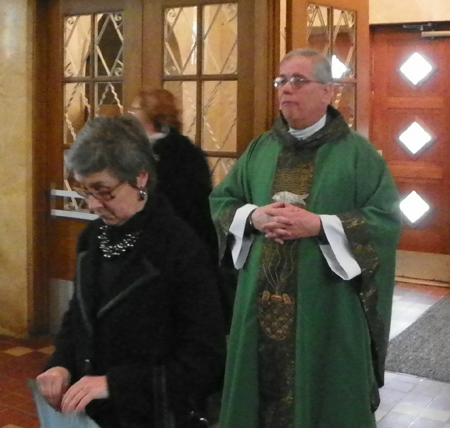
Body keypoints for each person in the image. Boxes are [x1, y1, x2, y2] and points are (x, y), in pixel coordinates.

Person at [210, 49, 402, 428]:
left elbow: (385, 221)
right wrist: (254, 216)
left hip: (326, 307)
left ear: (329, 92)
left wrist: (320, 226)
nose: (286, 90)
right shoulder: (261, 149)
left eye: (298, 80)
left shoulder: (358, 156)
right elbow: (222, 202)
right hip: (259, 304)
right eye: (281, 81)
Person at [36, 116, 226, 428]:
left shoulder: (180, 247)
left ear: (140, 178)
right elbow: (78, 319)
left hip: (151, 417)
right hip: (92, 416)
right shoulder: (91, 238)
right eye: (84, 191)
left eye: (103, 191)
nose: (93, 205)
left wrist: (114, 384)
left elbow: (206, 360)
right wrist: (61, 365)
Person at [129, 88, 236, 331]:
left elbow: (189, 204)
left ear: (151, 115)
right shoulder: (134, 150)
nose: (130, 115)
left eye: (135, 109)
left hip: (176, 249)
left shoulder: (180, 153)